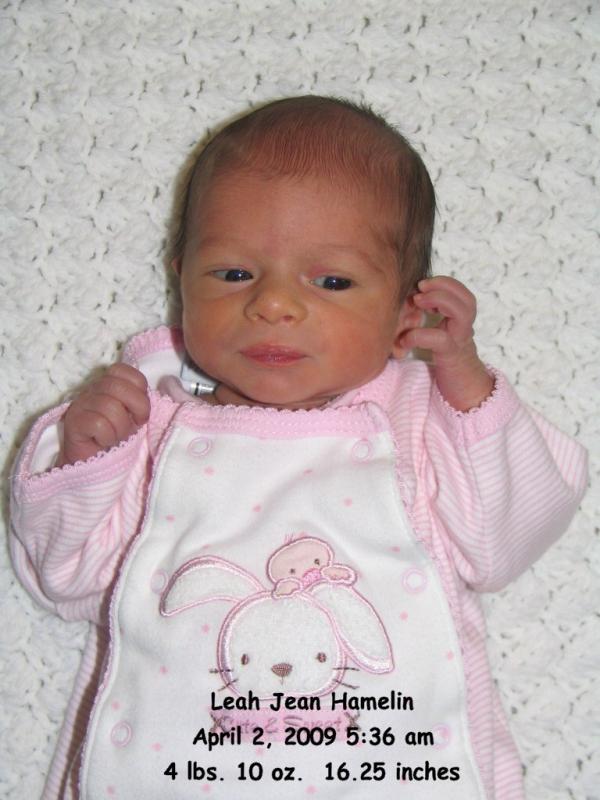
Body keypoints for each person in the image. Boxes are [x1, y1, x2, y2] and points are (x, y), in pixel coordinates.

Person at [10, 96, 587, 800]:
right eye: (233, 274)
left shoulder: (418, 419)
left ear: (407, 312)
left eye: (332, 281)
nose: (274, 304)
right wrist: (83, 460)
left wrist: (468, 387)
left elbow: (504, 544)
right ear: (180, 277)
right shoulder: (152, 423)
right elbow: (66, 581)